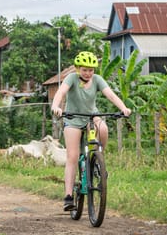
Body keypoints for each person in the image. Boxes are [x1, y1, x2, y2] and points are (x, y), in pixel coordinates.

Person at [51, 51, 132, 211]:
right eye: (84, 70)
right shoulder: (71, 78)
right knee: (73, 156)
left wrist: (123, 108)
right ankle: (68, 196)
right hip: (73, 118)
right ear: (78, 69)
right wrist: (55, 106)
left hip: (91, 115)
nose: (88, 73)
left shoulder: (97, 80)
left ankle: (98, 160)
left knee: (103, 128)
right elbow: (61, 92)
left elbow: (111, 95)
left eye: (91, 70)